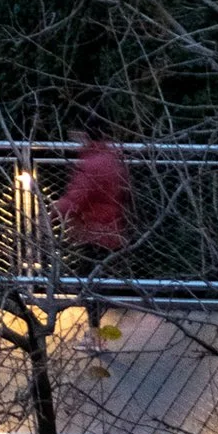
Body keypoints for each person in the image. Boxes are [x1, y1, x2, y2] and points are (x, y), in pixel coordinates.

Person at [57, 134, 131, 334]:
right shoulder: (112, 159)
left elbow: (77, 196)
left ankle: (96, 335)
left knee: (89, 284)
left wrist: (52, 213)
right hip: (111, 228)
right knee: (98, 281)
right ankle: (99, 333)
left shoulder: (90, 165)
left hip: (93, 231)